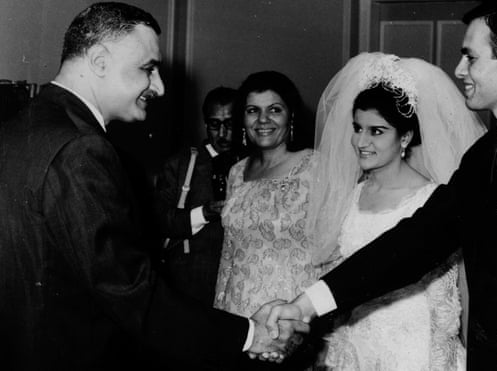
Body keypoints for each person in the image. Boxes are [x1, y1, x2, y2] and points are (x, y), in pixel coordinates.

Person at [266, 3, 497, 370]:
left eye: (471, 57)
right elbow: (414, 242)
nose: (459, 70)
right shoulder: (483, 156)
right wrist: (306, 304)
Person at [0, 3, 306, 370]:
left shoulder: (20, 127)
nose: (158, 87)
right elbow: (129, 293)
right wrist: (250, 336)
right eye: (148, 69)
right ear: (99, 62)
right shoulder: (81, 148)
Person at [307, 52, 485, 370]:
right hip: (359, 348)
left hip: (415, 350)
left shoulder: (433, 202)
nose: (361, 141)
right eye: (357, 128)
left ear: (405, 137)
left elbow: (463, 289)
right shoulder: (351, 198)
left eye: (376, 131)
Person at [213, 70, 321, 369]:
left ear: (291, 116)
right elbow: (229, 255)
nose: (263, 120)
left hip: (286, 321)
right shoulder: (236, 171)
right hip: (238, 320)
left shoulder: (315, 167)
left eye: (275, 109)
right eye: (253, 111)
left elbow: (332, 249)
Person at [154, 86, 240, 306]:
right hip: (191, 284)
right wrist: (204, 213)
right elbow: (159, 221)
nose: (222, 134)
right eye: (214, 125)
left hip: (238, 283)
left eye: (230, 124)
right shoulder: (179, 165)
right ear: (205, 125)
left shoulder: (253, 165)